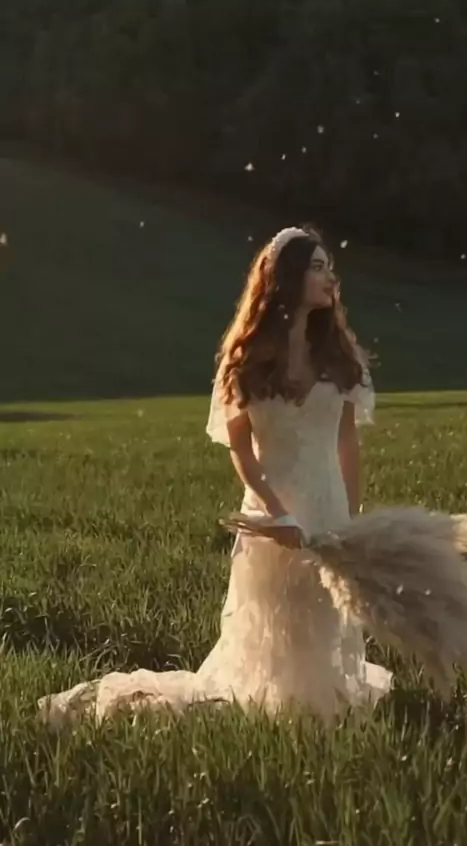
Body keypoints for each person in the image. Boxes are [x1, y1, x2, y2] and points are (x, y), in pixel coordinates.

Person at [38, 226, 392, 728]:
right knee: (273, 620)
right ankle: (276, 712)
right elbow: (242, 451)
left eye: (329, 267)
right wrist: (278, 514)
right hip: (271, 511)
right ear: (287, 278)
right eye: (317, 267)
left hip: (328, 506)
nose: (330, 276)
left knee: (323, 616)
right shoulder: (247, 359)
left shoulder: (338, 356)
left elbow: (346, 443)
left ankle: (319, 707)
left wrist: (352, 523)